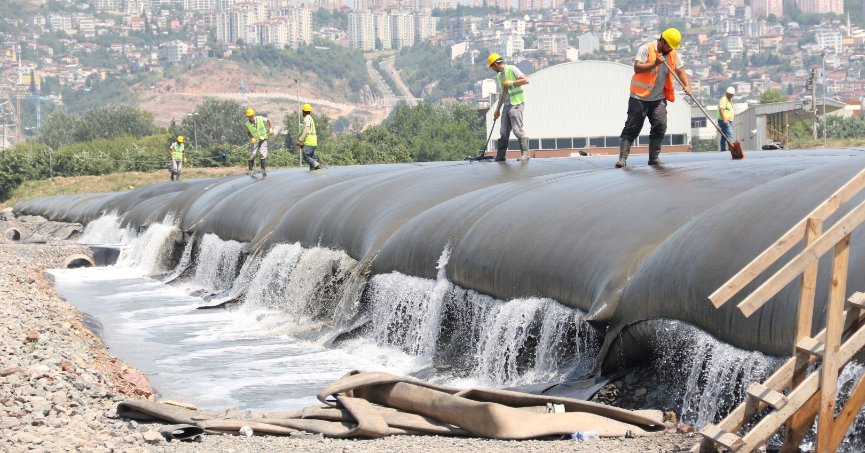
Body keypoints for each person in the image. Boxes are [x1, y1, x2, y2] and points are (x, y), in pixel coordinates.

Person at [616, 28, 691, 168]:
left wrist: (687, 86)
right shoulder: (646, 49)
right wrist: (655, 63)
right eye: (668, 46)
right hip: (639, 97)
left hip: (658, 98)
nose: (670, 49)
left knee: (660, 125)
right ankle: (622, 159)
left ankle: (654, 158)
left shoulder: (672, 54)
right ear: (662, 41)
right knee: (632, 127)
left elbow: (680, 71)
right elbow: (637, 68)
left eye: (672, 47)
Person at [488, 53, 530, 162]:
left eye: (492, 67)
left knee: (517, 129)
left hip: (516, 103)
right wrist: (497, 110)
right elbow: (502, 94)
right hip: (506, 105)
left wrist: (511, 83)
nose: (492, 69)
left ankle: (525, 154)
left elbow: (526, 80)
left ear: (495, 64)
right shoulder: (499, 76)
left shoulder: (512, 69)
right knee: (503, 131)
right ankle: (501, 155)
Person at [244, 108, 273, 177]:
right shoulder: (247, 124)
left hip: (263, 139)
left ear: (254, 115)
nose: (251, 117)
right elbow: (248, 133)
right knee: (253, 154)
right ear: (247, 117)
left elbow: (269, 120)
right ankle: (250, 170)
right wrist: (252, 138)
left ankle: (263, 169)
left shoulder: (260, 118)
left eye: (252, 116)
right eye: (249, 116)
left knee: (262, 154)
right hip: (256, 140)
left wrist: (270, 129)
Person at [296, 103, 320, 170]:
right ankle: (314, 168)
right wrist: (302, 144)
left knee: (305, 156)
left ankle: (315, 163)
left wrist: (300, 140)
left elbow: (306, 130)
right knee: (311, 157)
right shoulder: (311, 118)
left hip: (309, 141)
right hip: (314, 141)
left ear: (303, 111)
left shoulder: (307, 119)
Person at [718, 86, 735, 152]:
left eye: (732, 95)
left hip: (728, 120)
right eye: (730, 94)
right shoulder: (724, 99)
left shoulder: (729, 100)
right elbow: (721, 109)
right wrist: (724, 119)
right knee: (730, 134)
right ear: (727, 93)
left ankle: (723, 149)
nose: (731, 96)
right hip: (724, 120)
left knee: (724, 135)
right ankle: (731, 148)